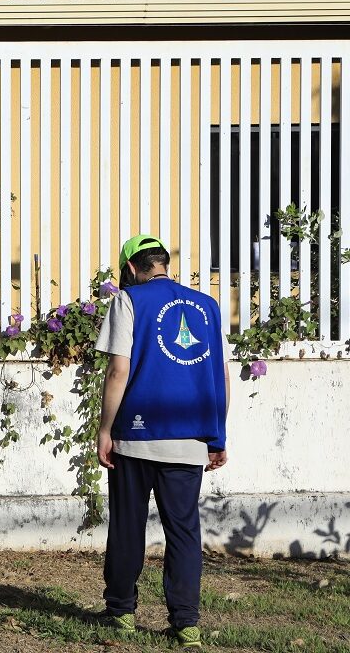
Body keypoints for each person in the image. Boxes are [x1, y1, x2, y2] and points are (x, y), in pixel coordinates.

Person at [95, 234, 231, 649]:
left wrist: (105, 430)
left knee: (127, 527)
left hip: (136, 437)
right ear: (163, 264)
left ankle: (121, 612)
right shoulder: (207, 306)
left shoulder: (129, 300)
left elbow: (119, 371)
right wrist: (217, 434)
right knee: (185, 531)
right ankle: (186, 623)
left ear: (132, 268)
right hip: (190, 437)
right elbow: (221, 377)